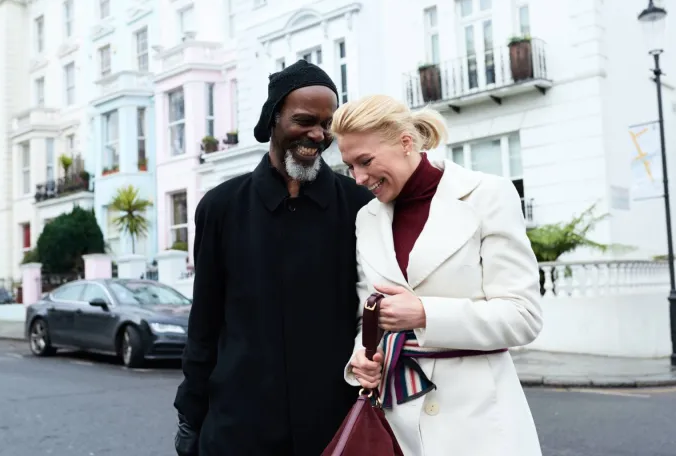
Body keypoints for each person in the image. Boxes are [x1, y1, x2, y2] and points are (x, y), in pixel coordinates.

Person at [173, 60, 374, 456]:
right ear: (272, 120)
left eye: (326, 123)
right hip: (239, 427)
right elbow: (205, 321)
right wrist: (190, 414)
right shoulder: (221, 207)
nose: (317, 134)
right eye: (304, 120)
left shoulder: (360, 206)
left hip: (334, 424)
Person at [333, 94, 543, 456]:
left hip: (480, 422)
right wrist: (363, 357)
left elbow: (523, 316)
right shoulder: (367, 218)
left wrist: (425, 314)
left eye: (365, 162)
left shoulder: (487, 195)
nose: (358, 178)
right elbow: (370, 312)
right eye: (350, 167)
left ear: (405, 142)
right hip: (397, 421)